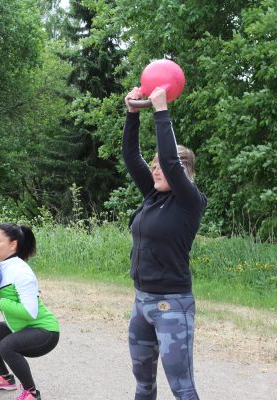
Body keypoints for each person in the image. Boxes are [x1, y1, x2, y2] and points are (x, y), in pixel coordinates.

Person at [123, 87, 207, 400]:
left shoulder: (190, 202)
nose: (155, 168)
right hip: (142, 302)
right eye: (154, 164)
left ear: (183, 171)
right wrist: (133, 114)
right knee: (143, 383)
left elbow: (170, 161)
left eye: (161, 164)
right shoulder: (154, 196)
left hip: (172, 305)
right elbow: (131, 157)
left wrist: (161, 111)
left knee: (182, 386)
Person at [0, 223, 60, 400]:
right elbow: (0, 304)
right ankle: (5, 378)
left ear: (13, 245)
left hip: (44, 331)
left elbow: (29, 312)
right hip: (20, 327)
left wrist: (0, 300)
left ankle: (32, 393)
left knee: (7, 346)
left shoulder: (21, 272)